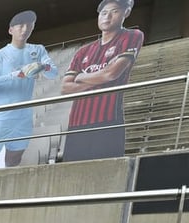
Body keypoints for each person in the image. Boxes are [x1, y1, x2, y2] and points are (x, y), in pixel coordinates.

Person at [61, 0, 143, 162]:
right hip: (77, 124)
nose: (107, 17)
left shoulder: (132, 36)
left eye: (114, 11)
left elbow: (111, 74)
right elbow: (65, 88)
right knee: (73, 172)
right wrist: (99, 77)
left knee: (105, 171)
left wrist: (81, 77)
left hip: (108, 120)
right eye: (104, 13)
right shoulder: (82, 51)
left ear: (126, 13)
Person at [0, 10, 59, 167]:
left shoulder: (38, 50)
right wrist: (13, 75)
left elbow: (54, 73)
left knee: (14, 160)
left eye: (29, 26)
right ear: (10, 30)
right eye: (20, 26)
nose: (25, 29)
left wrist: (42, 66)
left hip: (23, 116)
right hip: (1, 116)